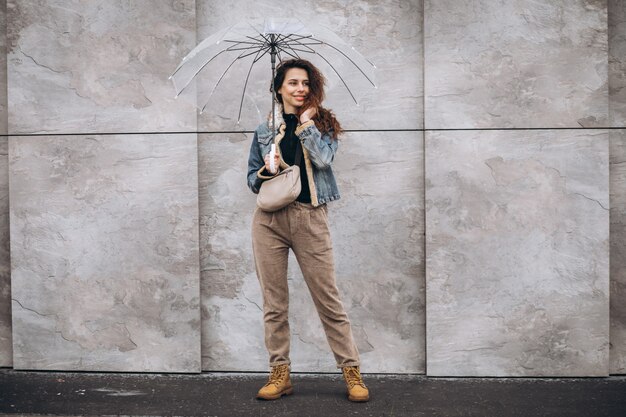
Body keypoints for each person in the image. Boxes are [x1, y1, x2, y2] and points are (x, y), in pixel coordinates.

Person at [246, 58, 369, 402]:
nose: (300, 89)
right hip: (269, 222)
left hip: (309, 218)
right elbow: (251, 179)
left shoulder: (323, 123)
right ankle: (280, 373)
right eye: (293, 83)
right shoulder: (264, 130)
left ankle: (352, 373)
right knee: (274, 304)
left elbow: (323, 161)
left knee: (328, 300)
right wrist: (266, 171)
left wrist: (305, 125)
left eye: (305, 83)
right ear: (279, 88)